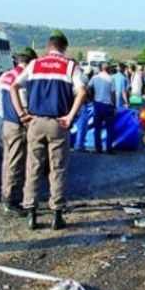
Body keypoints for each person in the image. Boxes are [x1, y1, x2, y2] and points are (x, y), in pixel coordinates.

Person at [10, 31, 87, 230]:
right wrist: (70, 116)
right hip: (58, 123)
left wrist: (22, 114)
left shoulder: (35, 64)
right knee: (58, 168)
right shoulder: (70, 66)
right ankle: (56, 215)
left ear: (48, 47)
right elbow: (83, 91)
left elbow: (14, 86)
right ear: (65, 48)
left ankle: (32, 214)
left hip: (35, 122)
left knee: (33, 167)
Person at [0, 47, 37, 217]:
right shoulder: (23, 79)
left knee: (7, 161)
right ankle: (11, 201)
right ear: (28, 63)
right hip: (17, 125)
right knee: (16, 163)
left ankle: (6, 194)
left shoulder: (5, 75)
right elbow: (24, 104)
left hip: (4, 122)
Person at [88, 62, 116, 154]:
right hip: (107, 105)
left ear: (101, 69)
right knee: (109, 128)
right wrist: (114, 106)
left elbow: (88, 88)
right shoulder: (111, 79)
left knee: (97, 128)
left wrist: (92, 98)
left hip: (97, 104)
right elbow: (113, 94)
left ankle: (98, 148)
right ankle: (109, 148)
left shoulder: (95, 77)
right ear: (108, 69)